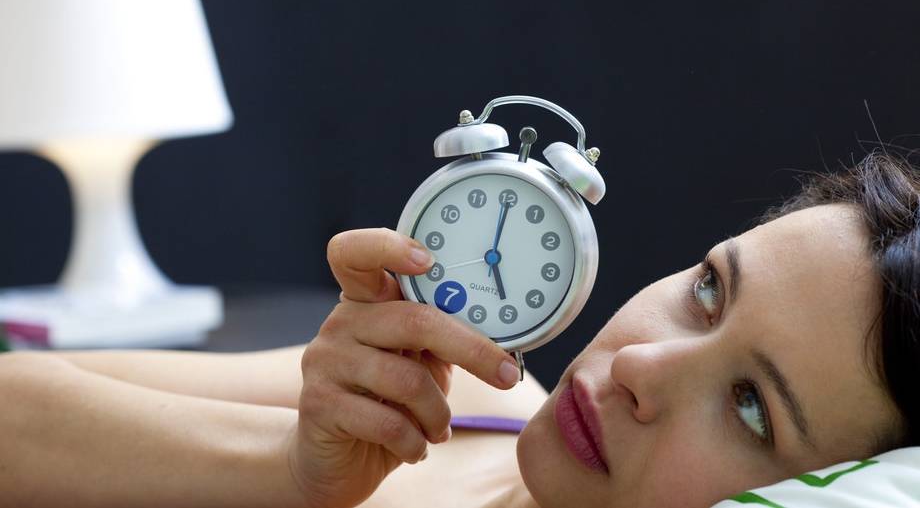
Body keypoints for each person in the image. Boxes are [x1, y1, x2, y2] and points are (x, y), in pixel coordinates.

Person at [1, 150, 918, 508]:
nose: (642, 363)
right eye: (708, 291)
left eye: (752, 407)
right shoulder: (471, 394)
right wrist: (287, 466)